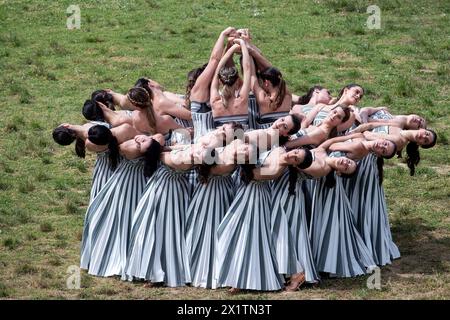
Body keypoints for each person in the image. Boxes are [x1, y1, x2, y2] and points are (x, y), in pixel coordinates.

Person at [217, 146, 313, 293]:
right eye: (296, 152)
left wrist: (240, 157)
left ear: (294, 165)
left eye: (296, 159)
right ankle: (237, 277)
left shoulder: (276, 170)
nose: (292, 155)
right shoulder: (279, 149)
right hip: (245, 194)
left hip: (254, 198)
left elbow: (249, 174)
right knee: (234, 234)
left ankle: (239, 280)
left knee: (244, 237)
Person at [80, 134, 164, 278]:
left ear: (145, 151)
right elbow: (160, 137)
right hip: (141, 183)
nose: (139, 140)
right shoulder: (153, 151)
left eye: (142, 143)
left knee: (120, 217)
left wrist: (140, 137)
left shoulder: (130, 149)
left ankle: (119, 258)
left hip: (126, 184)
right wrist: (148, 140)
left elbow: (123, 145)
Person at [186, 139, 255, 289]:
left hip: (217, 193)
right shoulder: (234, 147)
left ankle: (215, 271)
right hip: (207, 191)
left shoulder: (227, 164)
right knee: (199, 227)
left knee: (212, 229)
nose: (242, 151)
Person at [210, 39, 251, 130]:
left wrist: (231, 50)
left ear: (220, 81)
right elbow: (247, 68)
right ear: (237, 82)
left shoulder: (214, 102)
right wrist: (242, 43)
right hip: (242, 141)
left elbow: (217, 70)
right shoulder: (242, 100)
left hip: (221, 143)